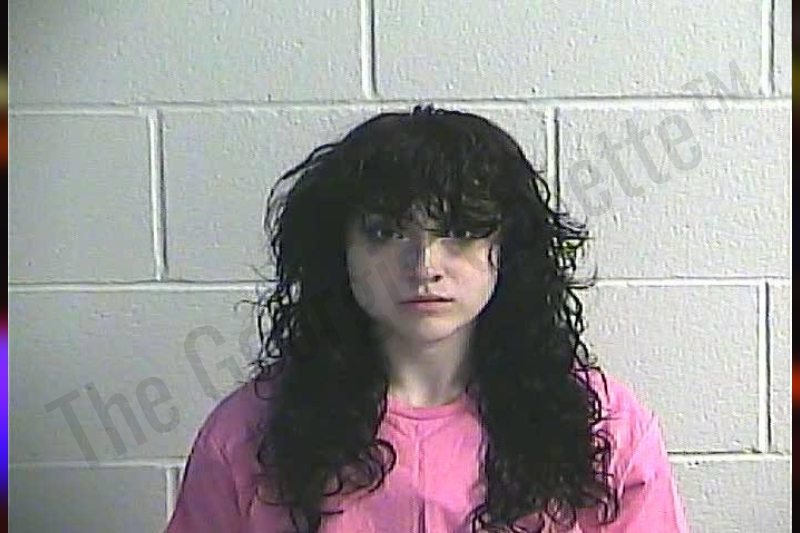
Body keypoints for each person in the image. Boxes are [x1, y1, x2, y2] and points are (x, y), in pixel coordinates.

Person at [165, 105, 689, 532]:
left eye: (460, 232)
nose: (424, 266)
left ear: (508, 248)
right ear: (337, 251)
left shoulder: (604, 427)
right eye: (385, 233)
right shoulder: (249, 434)